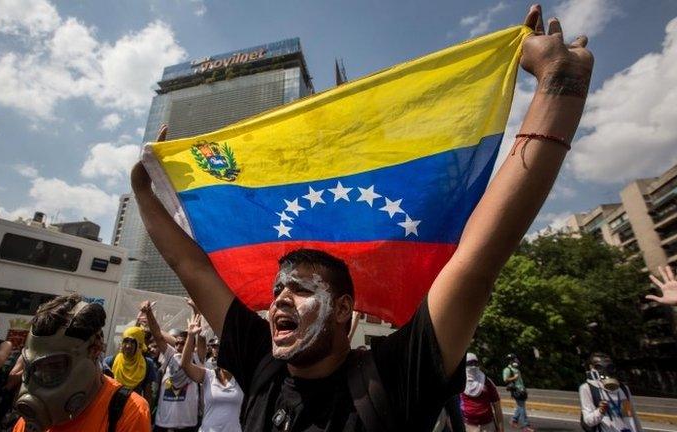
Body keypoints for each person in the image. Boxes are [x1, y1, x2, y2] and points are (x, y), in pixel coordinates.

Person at [132, 4, 593, 430]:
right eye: (277, 290)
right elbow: (191, 266)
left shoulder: (394, 376)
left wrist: (559, 86)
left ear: (345, 310)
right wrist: (143, 194)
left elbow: (478, 259)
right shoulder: (262, 363)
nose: (279, 300)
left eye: (300, 289)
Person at [11, 294, 150, 432]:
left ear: (95, 349)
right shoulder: (31, 420)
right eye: (32, 368)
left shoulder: (129, 412)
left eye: (54, 367)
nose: (39, 380)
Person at [140, 300, 204, 431]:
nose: (179, 346)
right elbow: (157, 335)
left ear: (191, 345)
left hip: (188, 424)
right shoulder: (171, 355)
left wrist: (196, 310)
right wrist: (149, 313)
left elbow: (200, 337)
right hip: (163, 423)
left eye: (183, 343)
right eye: (177, 343)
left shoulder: (197, 359)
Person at [180, 314, 244, 432]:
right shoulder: (208, 376)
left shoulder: (243, 379)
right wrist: (190, 336)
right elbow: (185, 365)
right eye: (215, 348)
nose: (221, 354)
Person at [579, 353, 642, 432]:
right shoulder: (587, 388)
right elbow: (588, 421)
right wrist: (600, 411)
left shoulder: (623, 389)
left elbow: (632, 417)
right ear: (592, 368)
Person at [104, 326, 158, 400]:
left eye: (133, 342)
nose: (128, 346)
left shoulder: (147, 364)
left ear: (139, 345)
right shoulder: (110, 361)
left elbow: (148, 393)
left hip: (134, 409)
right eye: (126, 341)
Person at [461, 353, 503, 432]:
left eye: (475, 363)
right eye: (470, 363)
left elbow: (497, 407)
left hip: (488, 426)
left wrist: (501, 429)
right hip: (468, 426)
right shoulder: (459, 383)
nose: (473, 366)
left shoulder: (487, 382)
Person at [502, 354, 532, 432]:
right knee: (522, 407)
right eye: (514, 359)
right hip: (516, 390)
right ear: (510, 361)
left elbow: (520, 381)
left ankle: (514, 420)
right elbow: (505, 379)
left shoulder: (516, 369)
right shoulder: (507, 369)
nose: (516, 360)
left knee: (520, 406)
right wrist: (514, 377)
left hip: (521, 390)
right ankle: (525, 426)